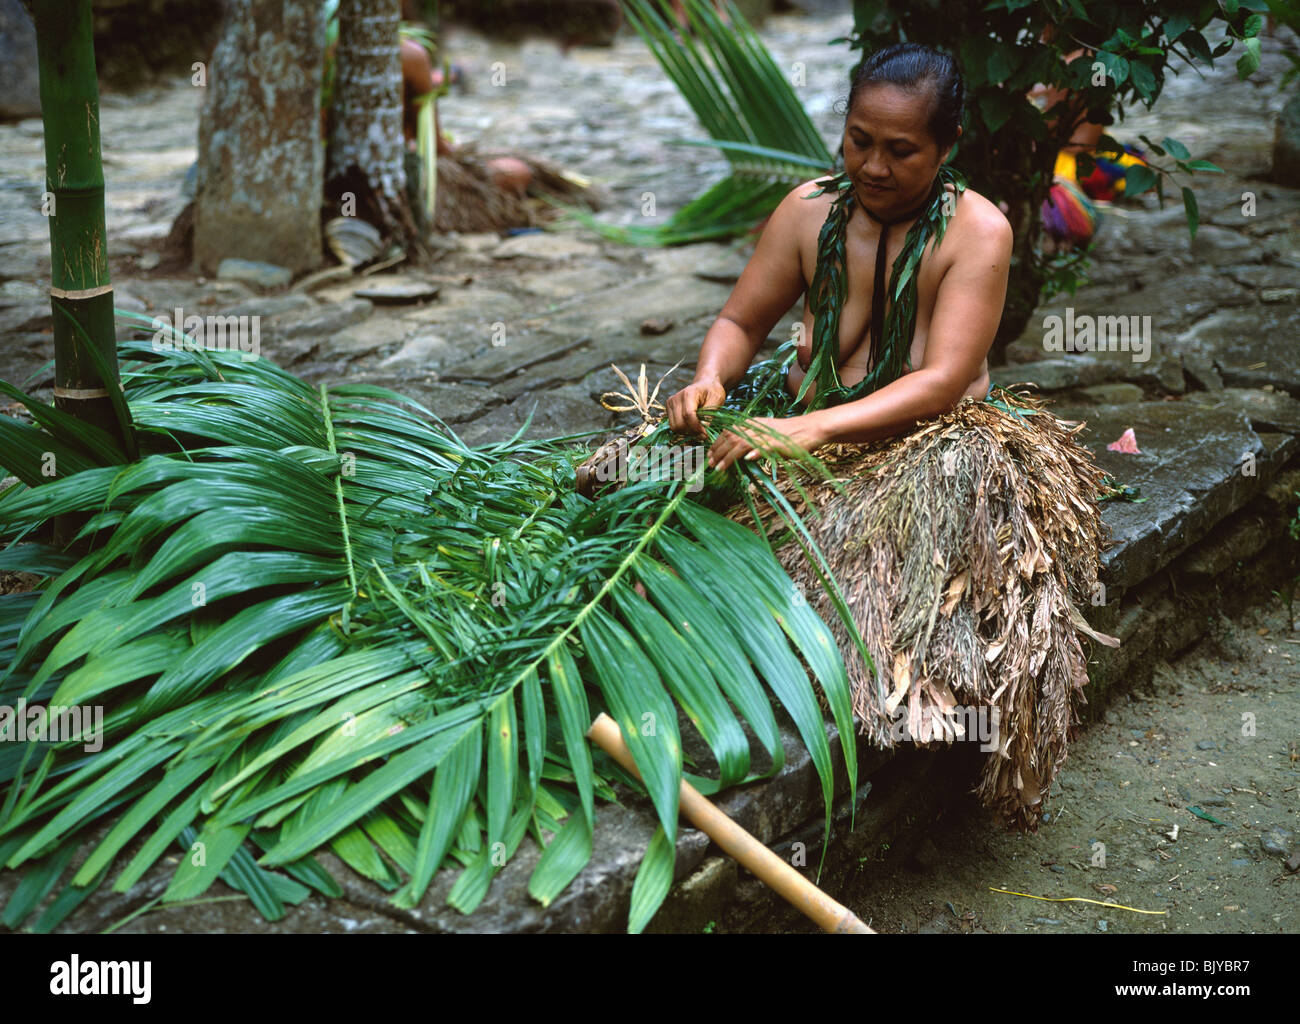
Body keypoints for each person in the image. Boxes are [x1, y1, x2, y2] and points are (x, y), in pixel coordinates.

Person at [662, 43, 1118, 828]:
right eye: (858, 140)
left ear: (946, 148)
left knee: (899, 624)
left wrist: (805, 428)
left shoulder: (979, 231)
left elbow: (942, 380)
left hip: (932, 446)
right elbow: (741, 320)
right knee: (645, 495)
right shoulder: (809, 210)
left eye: (900, 149)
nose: (873, 165)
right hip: (799, 425)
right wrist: (712, 379)